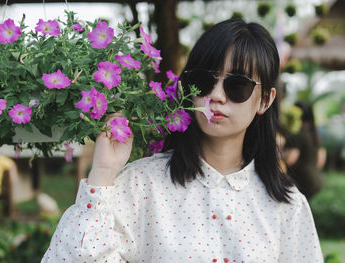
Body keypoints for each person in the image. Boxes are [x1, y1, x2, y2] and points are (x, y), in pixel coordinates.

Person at [42, 19, 323, 262]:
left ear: (265, 100)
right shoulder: (141, 186)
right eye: (203, 81)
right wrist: (102, 173)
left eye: (237, 85)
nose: (216, 95)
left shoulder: (287, 206)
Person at [283, 102, 325, 200]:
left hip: (301, 181)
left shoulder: (298, 135)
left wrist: (279, 153)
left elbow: (290, 159)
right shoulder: (315, 136)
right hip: (315, 179)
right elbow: (321, 161)